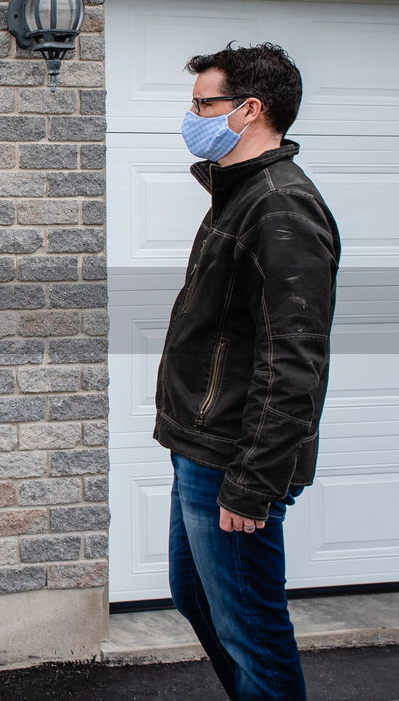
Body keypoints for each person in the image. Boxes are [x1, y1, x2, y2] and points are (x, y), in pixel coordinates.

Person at [155, 43, 340, 701]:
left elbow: (293, 359)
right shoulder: (239, 197)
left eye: (204, 103)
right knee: (197, 595)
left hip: (234, 458)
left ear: (250, 109)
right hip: (203, 448)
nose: (192, 116)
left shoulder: (280, 207)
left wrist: (252, 483)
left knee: (252, 626)